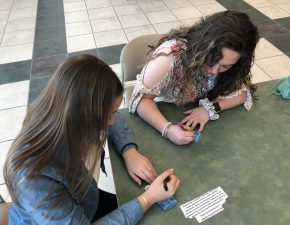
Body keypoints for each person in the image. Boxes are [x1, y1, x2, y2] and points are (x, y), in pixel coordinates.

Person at [3, 55, 180, 225]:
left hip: (85, 198)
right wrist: (147, 199)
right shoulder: (36, 181)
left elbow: (113, 118)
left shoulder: (58, 113)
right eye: (108, 114)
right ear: (83, 115)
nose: (112, 120)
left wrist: (128, 150)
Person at [129, 11, 260, 145]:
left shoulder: (234, 65)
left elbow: (244, 92)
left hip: (186, 112)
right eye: (211, 60)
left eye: (225, 66)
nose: (214, 71)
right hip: (158, 113)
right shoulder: (170, 58)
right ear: (202, 46)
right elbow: (140, 99)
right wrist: (167, 130)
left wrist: (210, 109)